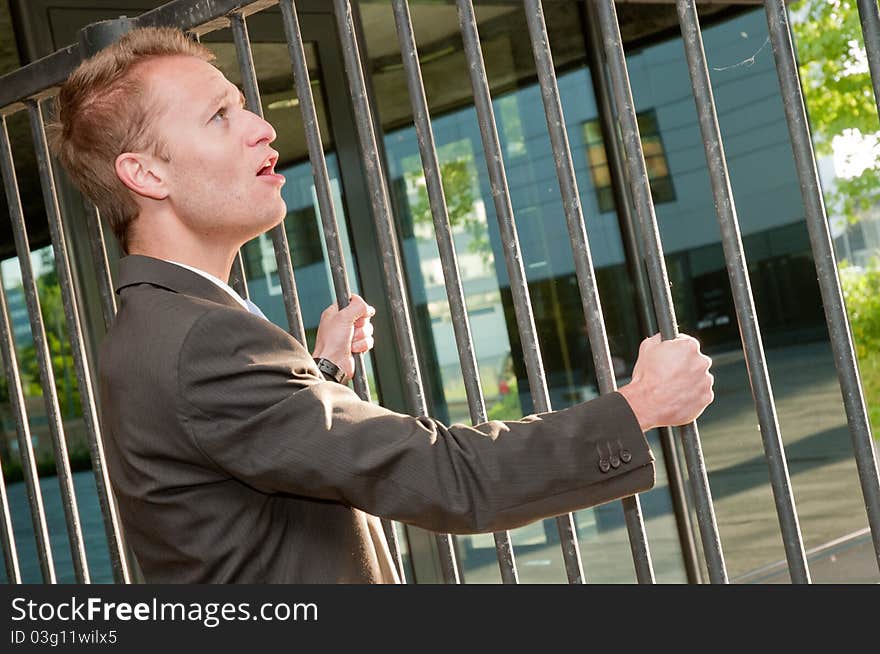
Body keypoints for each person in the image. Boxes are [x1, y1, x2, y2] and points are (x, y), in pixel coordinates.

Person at [48, 27, 714, 583]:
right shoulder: (201, 341)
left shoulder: (165, 324)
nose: (260, 127)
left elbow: (254, 451)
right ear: (147, 174)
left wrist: (322, 372)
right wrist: (640, 407)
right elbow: (443, 474)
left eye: (245, 106)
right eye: (220, 115)